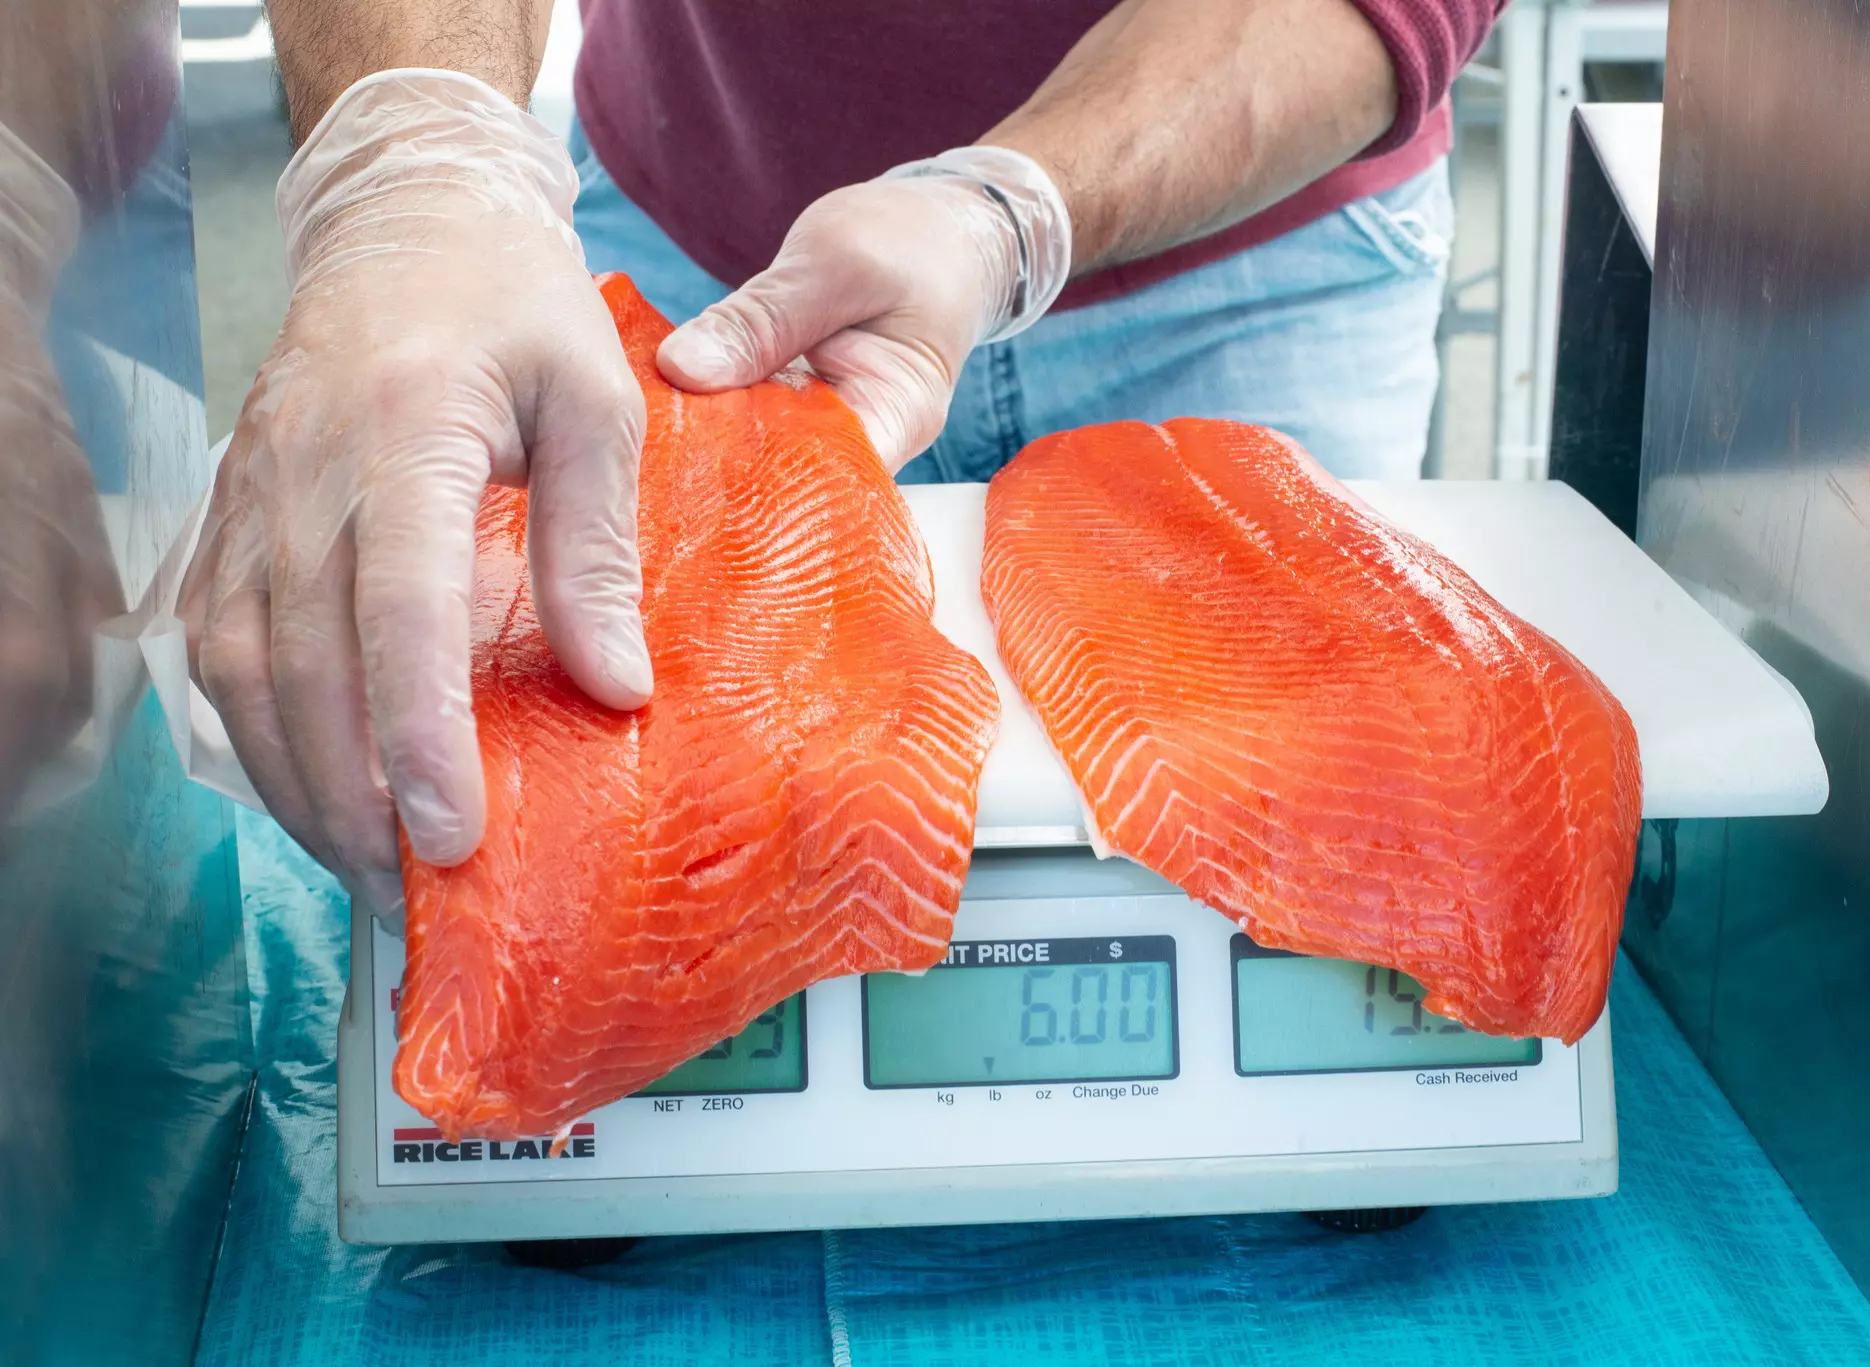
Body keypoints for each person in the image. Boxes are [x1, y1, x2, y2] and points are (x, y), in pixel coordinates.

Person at [178, 0, 1503, 919]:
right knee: (610, 835)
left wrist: (1005, 210)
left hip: (1256, 241)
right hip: (711, 246)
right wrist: (418, 165)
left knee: (1316, 848)